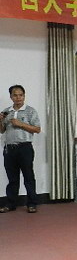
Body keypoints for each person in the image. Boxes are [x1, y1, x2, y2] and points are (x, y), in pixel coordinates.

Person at [0, 85, 41, 213]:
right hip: (9, 149)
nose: (18, 98)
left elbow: (37, 129)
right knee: (12, 178)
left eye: (20, 95)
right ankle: (11, 204)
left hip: (25, 148)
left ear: (24, 96)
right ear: (11, 97)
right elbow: (2, 130)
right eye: (15, 95)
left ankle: (32, 204)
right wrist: (0, 121)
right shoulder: (6, 112)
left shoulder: (30, 111)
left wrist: (20, 124)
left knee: (28, 177)